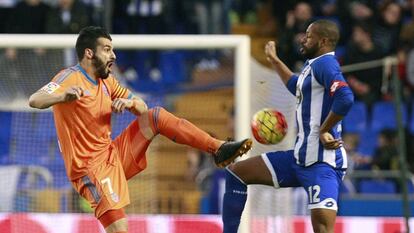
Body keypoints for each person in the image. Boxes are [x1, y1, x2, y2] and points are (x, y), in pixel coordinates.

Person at [28, 26, 252, 233]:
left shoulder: (108, 82)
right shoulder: (69, 77)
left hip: (113, 155)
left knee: (155, 116)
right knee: (120, 229)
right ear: (89, 53)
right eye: (106, 50)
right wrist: (61, 96)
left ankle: (218, 148)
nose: (113, 55)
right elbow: (35, 99)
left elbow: (142, 107)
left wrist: (130, 103)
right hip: (90, 170)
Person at [222, 19, 354, 233]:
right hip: (298, 159)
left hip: (322, 164)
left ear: (323, 41)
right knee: (237, 173)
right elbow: (296, 86)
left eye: (309, 36)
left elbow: (345, 98)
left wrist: (323, 130)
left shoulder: (326, 64)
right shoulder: (312, 65)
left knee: (322, 228)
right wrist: (274, 61)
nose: (303, 39)